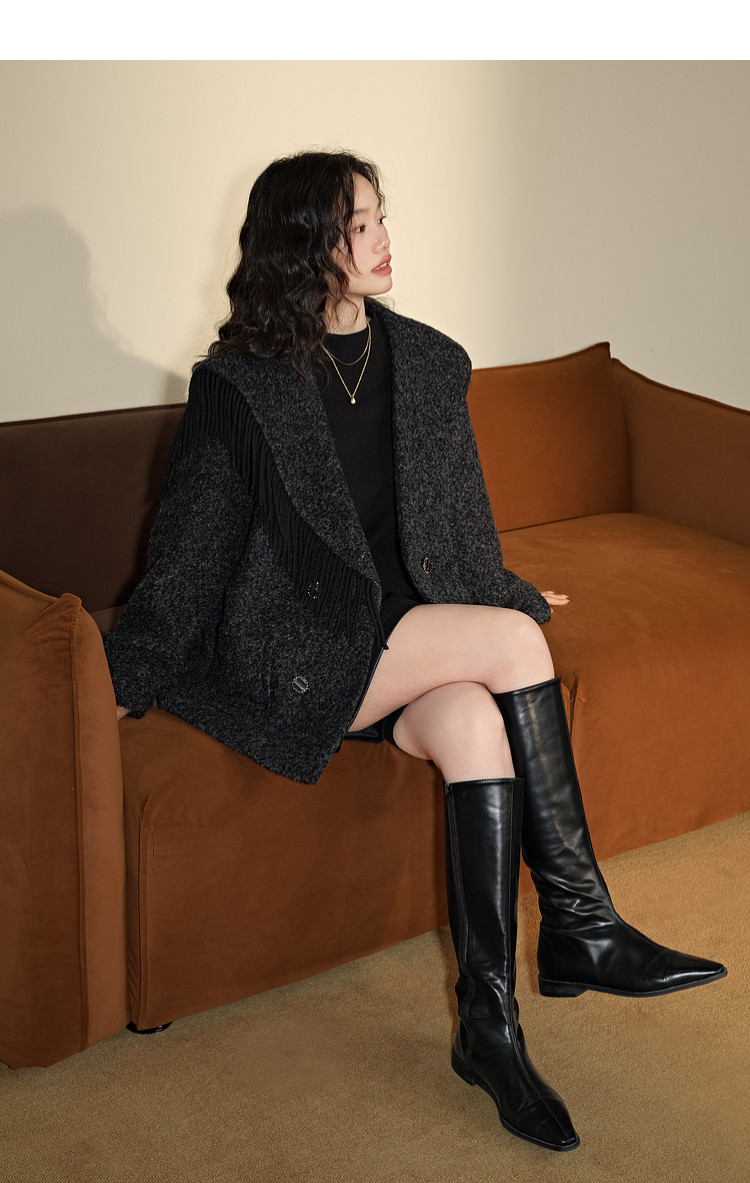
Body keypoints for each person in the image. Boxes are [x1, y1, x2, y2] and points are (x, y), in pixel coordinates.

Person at [104, 150, 726, 1153]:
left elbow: (461, 527)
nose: (385, 238)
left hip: (409, 634)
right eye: (360, 224)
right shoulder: (240, 385)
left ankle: (489, 1027)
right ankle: (581, 923)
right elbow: (191, 546)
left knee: (476, 721)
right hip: (301, 646)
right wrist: (128, 671)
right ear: (306, 244)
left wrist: (505, 592)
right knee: (512, 644)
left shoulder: (431, 361)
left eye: (381, 216)